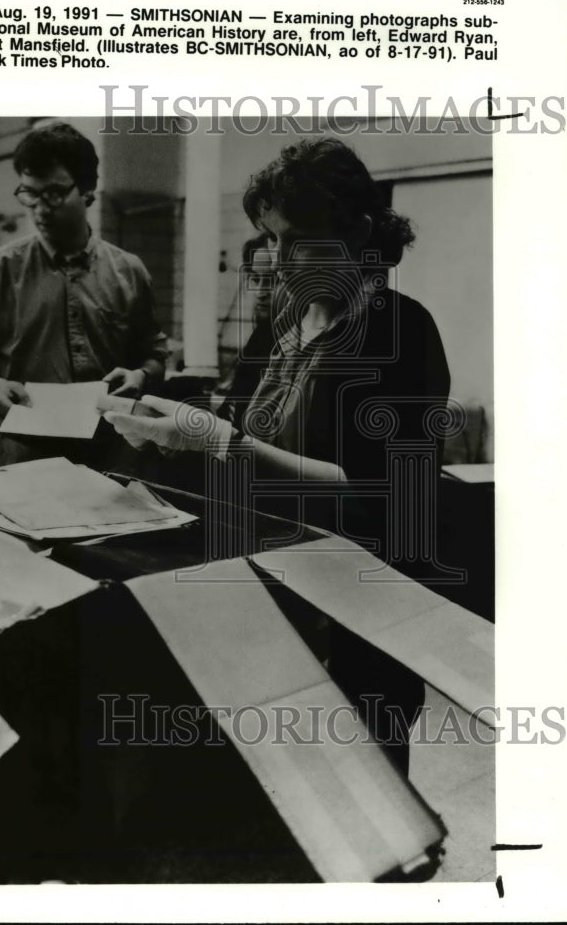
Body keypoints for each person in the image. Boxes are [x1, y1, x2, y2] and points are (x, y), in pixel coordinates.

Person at [103, 137, 451, 773]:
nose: (277, 259)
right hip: (267, 585)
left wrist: (227, 442)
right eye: (269, 238)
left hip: (360, 610)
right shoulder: (283, 322)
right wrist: (178, 430)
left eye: (295, 239)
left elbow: (385, 497)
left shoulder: (403, 332)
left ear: (358, 232)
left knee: (365, 787)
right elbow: (239, 431)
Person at [0, 122, 168, 467]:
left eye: (53, 193)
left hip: (111, 455)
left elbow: (154, 354)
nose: (40, 208)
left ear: (87, 191)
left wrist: (139, 376)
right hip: (22, 455)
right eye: (30, 194)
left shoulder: (129, 271)